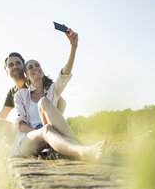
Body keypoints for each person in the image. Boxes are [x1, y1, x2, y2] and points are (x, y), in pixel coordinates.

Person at [11, 28, 105, 161]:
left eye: (37, 65)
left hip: (50, 135)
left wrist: (73, 47)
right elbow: (20, 125)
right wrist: (44, 132)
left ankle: (81, 149)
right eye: (30, 67)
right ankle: (83, 150)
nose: (35, 68)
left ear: (42, 70)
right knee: (47, 129)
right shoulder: (21, 95)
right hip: (28, 140)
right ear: (27, 76)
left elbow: (65, 74)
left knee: (44, 102)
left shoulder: (52, 91)